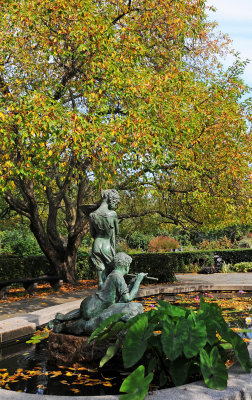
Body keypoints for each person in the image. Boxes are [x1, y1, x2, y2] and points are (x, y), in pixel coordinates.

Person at [49, 252, 146, 335]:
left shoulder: (113, 274)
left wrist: (132, 283)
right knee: (85, 323)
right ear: (126, 266)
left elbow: (121, 296)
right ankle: (62, 326)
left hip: (91, 302)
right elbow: (127, 299)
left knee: (81, 315)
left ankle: (60, 320)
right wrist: (138, 282)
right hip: (97, 307)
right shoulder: (118, 277)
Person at [89, 189, 120, 289]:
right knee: (113, 271)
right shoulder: (113, 214)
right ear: (111, 199)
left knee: (100, 275)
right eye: (115, 201)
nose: (115, 204)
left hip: (96, 245)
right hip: (107, 246)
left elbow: (92, 233)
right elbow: (117, 232)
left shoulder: (92, 215)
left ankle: (100, 293)